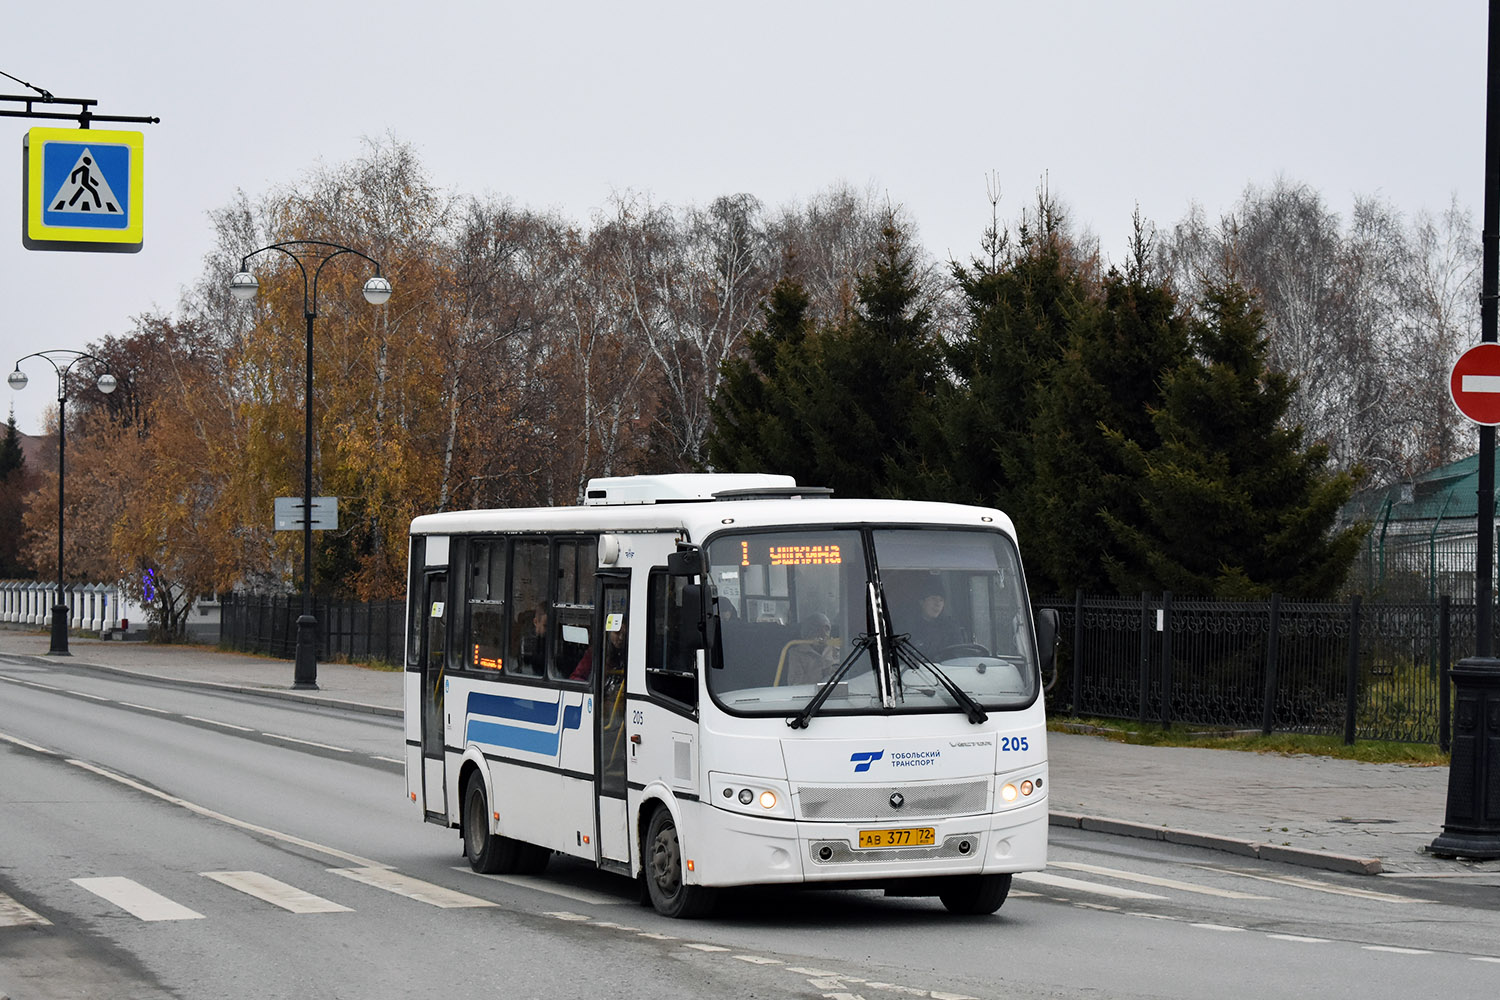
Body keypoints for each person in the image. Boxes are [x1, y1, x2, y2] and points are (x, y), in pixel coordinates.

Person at [785, 612, 839, 685]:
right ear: (808, 632)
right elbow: (794, 683)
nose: (823, 633)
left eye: (826, 629)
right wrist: (822, 673)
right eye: (818, 629)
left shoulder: (839, 649)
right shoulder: (796, 653)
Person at [907, 587, 963, 655]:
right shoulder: (908, 627)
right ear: (921, 602)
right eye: (933, 598)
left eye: (941, 600)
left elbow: (958, 654)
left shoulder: (950, 627)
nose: (937, 604)